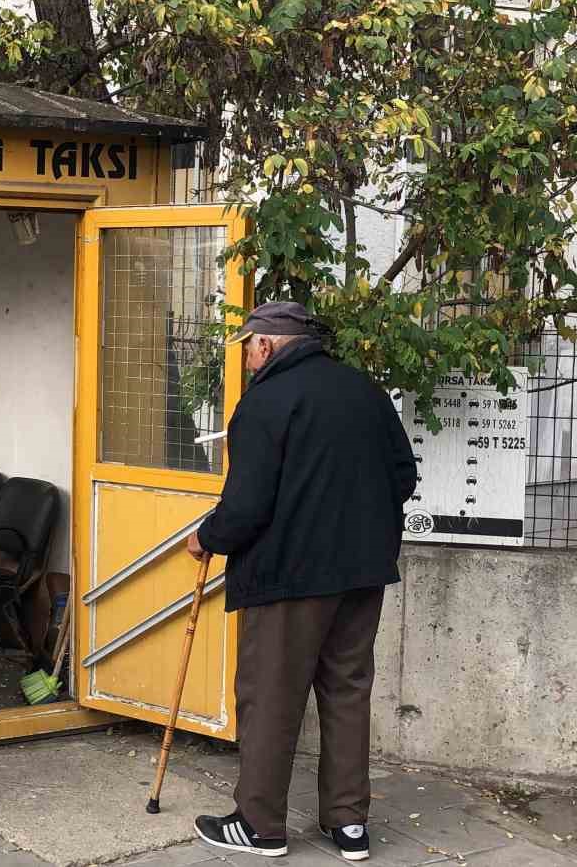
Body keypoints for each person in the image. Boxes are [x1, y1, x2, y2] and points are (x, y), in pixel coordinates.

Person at [187, 301, 417, 861]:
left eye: (247, 344)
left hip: (288, 577)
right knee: (346, 690)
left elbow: (246, 506)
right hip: (362, 571)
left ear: (268, 344)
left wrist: (207, 537)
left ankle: (260, 825)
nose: (243, 355)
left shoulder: (265, 401)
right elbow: (403, 477)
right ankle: (349, 824)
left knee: (271, 696)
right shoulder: (364, 391)